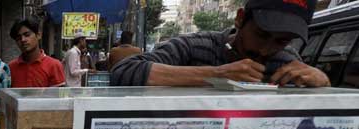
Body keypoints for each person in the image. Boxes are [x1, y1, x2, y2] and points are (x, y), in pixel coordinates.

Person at [110, 0, 330, 88]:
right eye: (261, 34)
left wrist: (324, 86)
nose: (265, 50)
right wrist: (216, 75)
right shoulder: (193, 46)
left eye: (281, 41)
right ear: (240, 18)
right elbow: (124, 72)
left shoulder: (287, 64)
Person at [8, 16, 66, 88]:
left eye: (27, 35)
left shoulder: (54, 65)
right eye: (18, 38)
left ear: (38, 35)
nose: (23, 40)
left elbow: (59, 97)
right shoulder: (11, 67)